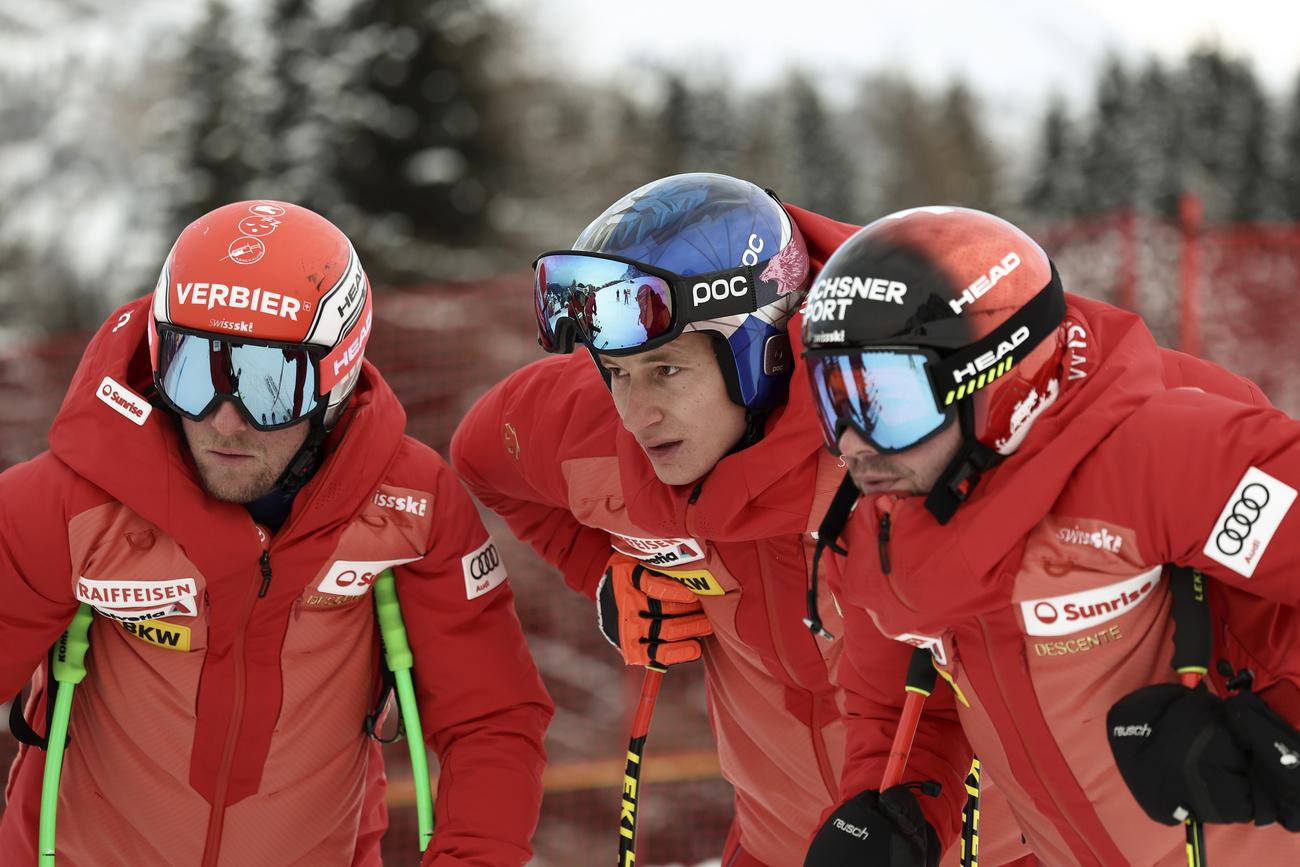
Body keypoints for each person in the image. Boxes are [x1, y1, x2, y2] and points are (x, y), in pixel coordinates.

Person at [451, 174, 1032, 866]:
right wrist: (609, 575)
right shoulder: (601, 425)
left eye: (667, 371)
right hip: (772, 845)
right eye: (615, 371)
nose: (636, 414)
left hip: (998, 847)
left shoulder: (903, 433)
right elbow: (484, 456)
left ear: (763, 353)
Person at [0, 201, 552, 866]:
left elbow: (490, 719)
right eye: (194, 370)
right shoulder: (63, 502)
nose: (225, 420)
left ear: (336, 377)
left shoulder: (412, 508)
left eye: (271, 384)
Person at [799, 205, 1300, 866]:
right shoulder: (879, 528)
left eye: (890, 400)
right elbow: (903, 710)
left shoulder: (1149, 455)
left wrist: (1278, 723)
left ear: (998, 377)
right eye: (836, 398)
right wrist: (890, 809)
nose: (856, 443)